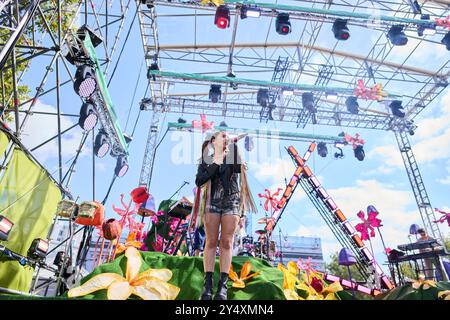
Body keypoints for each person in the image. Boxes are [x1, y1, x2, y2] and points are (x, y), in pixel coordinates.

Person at [195, 131, 257, 300]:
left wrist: (231, 147)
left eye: (227, 136)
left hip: (232, 202)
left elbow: (239, 169)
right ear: (213, 140)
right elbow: (199, 181)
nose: (226, 137)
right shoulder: (206, 159)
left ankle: (222, 287)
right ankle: (207, 286)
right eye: (222, 135)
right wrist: (215, 162)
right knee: (211, 241)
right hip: (212, 202)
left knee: (227, 242)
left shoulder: (233, 155)